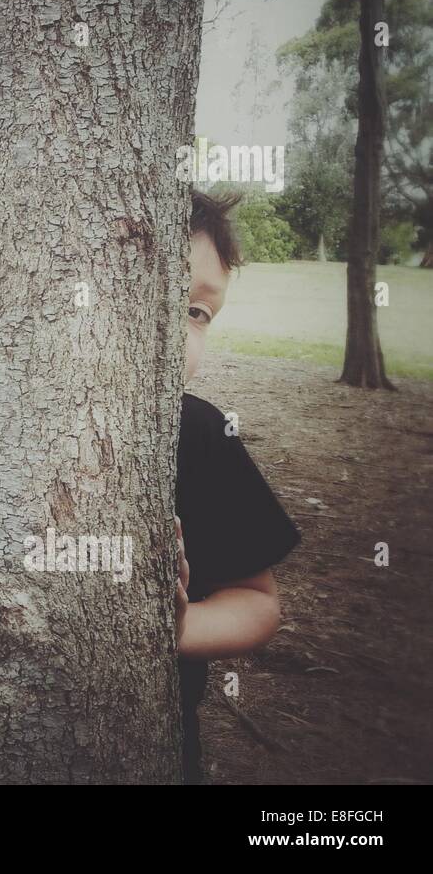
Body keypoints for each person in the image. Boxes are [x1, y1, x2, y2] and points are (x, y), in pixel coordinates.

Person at [175, 190, 302, 784]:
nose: (180, 330)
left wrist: (181, 628)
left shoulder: (199, 434)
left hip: (158, 738)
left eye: (198, 313)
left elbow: (258, 604)